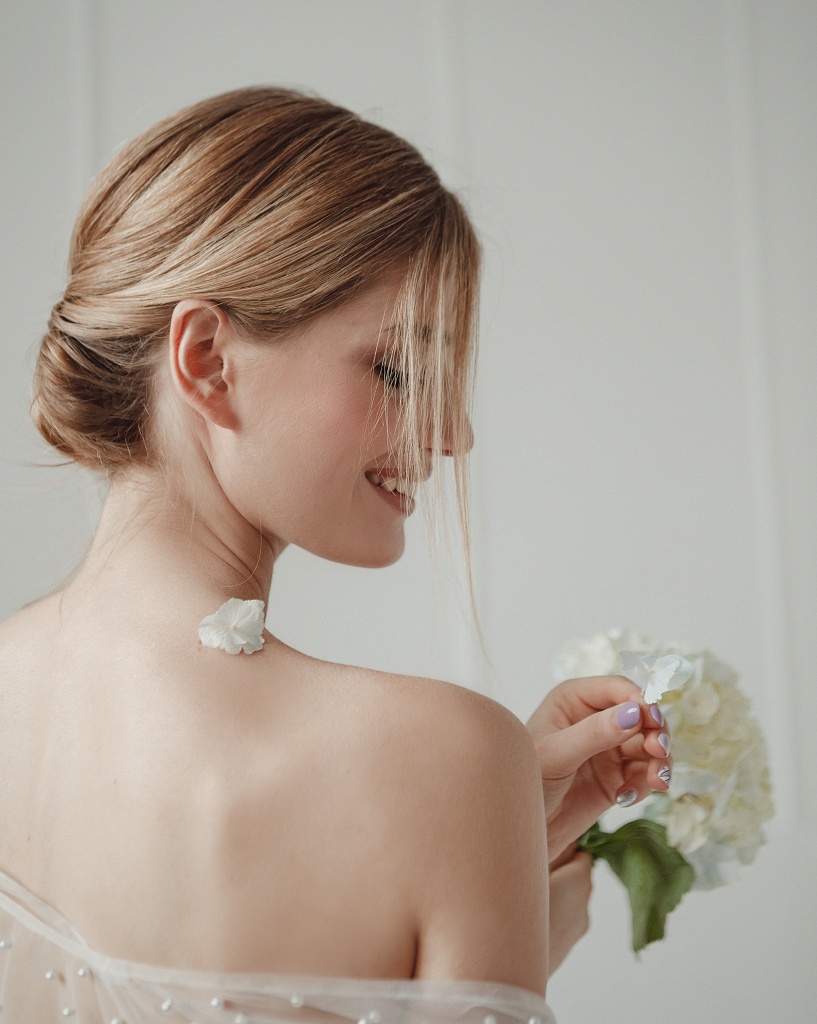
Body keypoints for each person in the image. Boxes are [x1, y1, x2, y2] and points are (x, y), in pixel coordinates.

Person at [0, 87, 671, 1022]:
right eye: (398, 369)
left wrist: (488, 842)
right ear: (206, 359)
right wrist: (511, 901)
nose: (453, 434)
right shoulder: (450, 754)